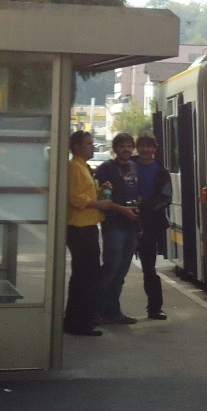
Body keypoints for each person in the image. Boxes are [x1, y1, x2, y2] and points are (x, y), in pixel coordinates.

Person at [64, 131, 114, 336]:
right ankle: (80, 322)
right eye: (87, 143)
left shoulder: (82, 166)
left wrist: (100, 191)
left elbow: (84, 193)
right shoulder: (75, 167)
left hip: (88, 225)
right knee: (86, 276)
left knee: (84, 276)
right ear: (76, 147)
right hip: (80, 227)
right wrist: (99, 203)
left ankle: (76, 319)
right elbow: (76, 198)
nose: (92, 147)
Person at [93, 133, 141, 324]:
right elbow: (102, 198)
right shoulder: (106, 168)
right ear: (115, 149)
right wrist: (122, 210)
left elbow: (136, 196)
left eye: (129, 146)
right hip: (113, 225)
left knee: (121, 271)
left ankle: (113, 312)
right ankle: (96, 310)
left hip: (131, 225)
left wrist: (139, 224)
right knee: (111, 269)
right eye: (122, 146)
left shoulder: (133, 167)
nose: (126, 149)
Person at [134, 134, 172, 321]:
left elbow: (166, 198)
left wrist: (144, 205)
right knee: (116, 267)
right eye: (141, 146)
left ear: (154, 149)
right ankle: (108, 308)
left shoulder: (161, 171)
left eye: (149, 146)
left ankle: (155, 308)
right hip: (126, 220)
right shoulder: (128, 166)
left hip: (150, 223)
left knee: (149, 268)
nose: (145, 149)